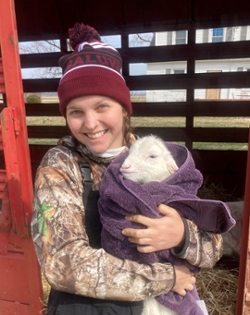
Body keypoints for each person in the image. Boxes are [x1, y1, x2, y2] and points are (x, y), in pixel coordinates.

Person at [31, 22, 223, 315]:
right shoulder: (60, 166)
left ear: (124, 107)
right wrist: (167, 277)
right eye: (76, 112)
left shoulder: (156, 158)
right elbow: (62, 264)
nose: (91, 123)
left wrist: (181, 236)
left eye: (102, 106)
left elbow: (214, 247)